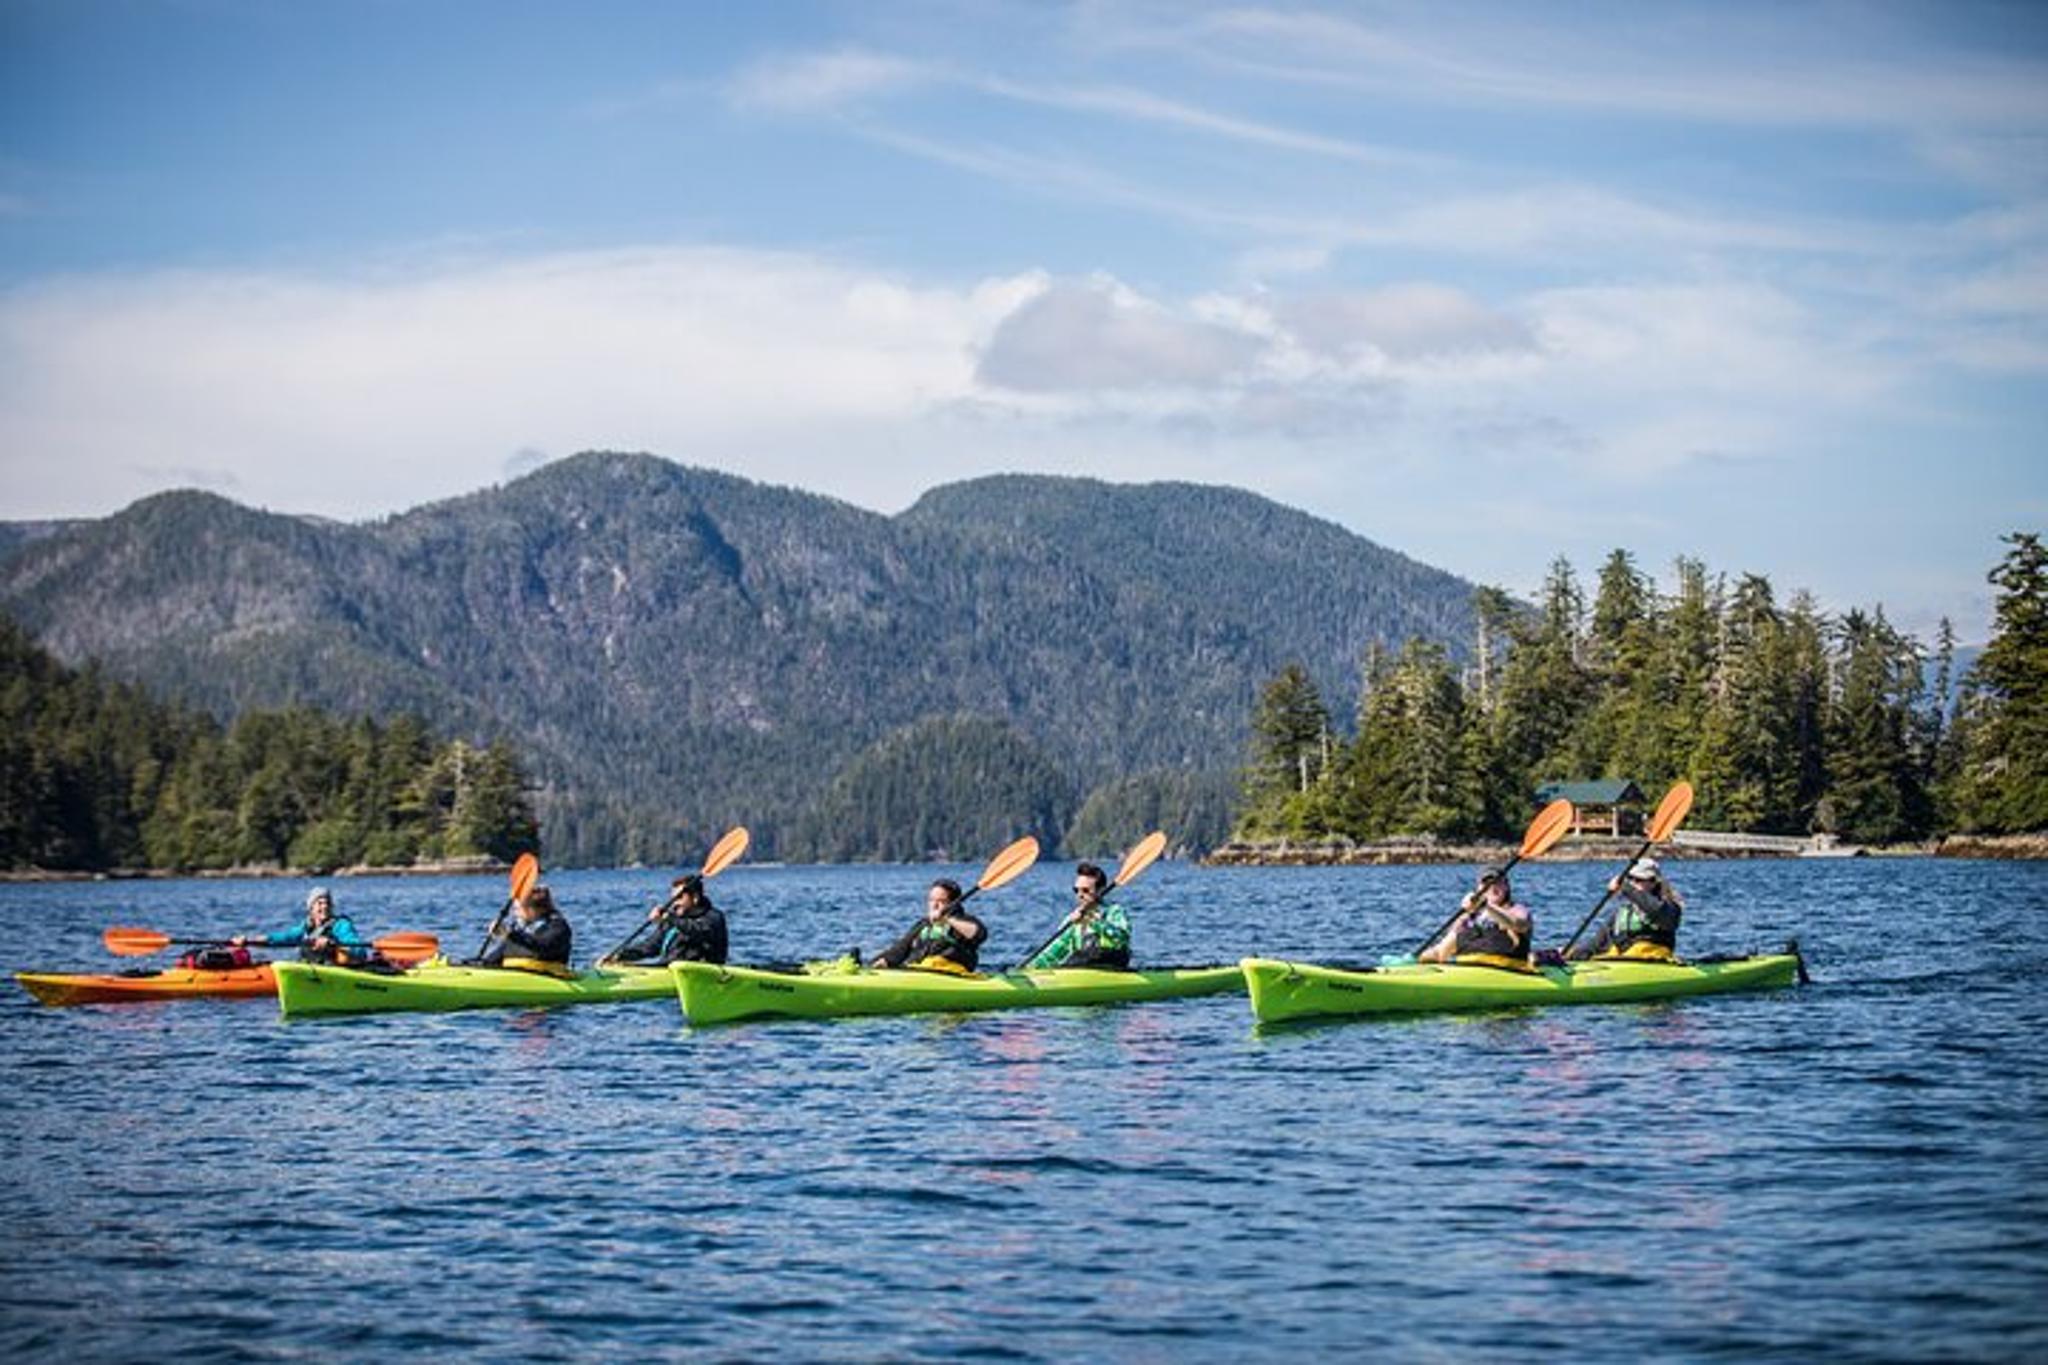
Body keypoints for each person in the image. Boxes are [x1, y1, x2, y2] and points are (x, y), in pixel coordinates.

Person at [1571, 857, 1684, 961]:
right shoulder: (1623, 912)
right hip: (1622, 960)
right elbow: (1597, 944)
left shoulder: (1669, 907)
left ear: (1653, 882)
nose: (1632, 883)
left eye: (1638, 879)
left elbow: (1656, 910)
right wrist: (1572, 955)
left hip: (1652, 960)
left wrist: (1625, 887)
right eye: (1630, 878)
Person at [1024, 862, 1131, 970]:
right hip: (1083, 969)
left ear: (1101, 890)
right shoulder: (1073, 919)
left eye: (1085, 890)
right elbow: (1053, 952)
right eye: (1076, 890)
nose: (1080, 895)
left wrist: (1093, 922)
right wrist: (1030, 968)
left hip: (1113, 965)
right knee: (1072, 960)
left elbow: (1121, 939)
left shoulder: (1115, 911)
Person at [1419, 867, 1534, 968]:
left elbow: (1519, 925)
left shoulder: (1516, 910)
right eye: (1486, 883)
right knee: (1461, 934)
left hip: (1507, 969)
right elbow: (1443, 949)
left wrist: (1487, 906)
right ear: (1479, 889)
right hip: (1468, 970)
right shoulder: (1469, 918)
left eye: (1497, 882)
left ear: (1506, 887)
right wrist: (1417, 959)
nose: (1492, 887)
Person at [605, 873, 728, 966]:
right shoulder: (672, 920)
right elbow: (650, 947)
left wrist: (669, 918)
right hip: (668, 970)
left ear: (695, 897)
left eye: (679, 898)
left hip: (702, 973)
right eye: (673, 899)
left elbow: (698, 930)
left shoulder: (713, 917)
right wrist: (620, 956)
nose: (674, 903)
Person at [872, 879, 987, 972]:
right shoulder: (924, 925)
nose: (934, 905)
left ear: (954, 904)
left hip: (950, 974)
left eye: (941, 901)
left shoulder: (963, 921)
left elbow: (979, 934)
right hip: (919, 970)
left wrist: (947, 919)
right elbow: (899, 950)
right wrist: (882, 961)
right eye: (931, 900)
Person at [233, 886, 368, 965]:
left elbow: (360, 950)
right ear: (311, 908)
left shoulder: (341, 925)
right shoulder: (306, 927)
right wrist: (248, 941)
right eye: (319, 903)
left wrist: (333, 943)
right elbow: (283, 938)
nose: (324, 907)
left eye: (327, 903)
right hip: (310, 970)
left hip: (335, 972)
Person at [477, 885, 573, 968]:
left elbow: (542, 947)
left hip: (548, 975)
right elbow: (506, 949)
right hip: (518, 974)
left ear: (535, 909)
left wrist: (509, 934)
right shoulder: (522, 928)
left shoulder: (559, 927)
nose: (515, 913)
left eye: (518, 909)